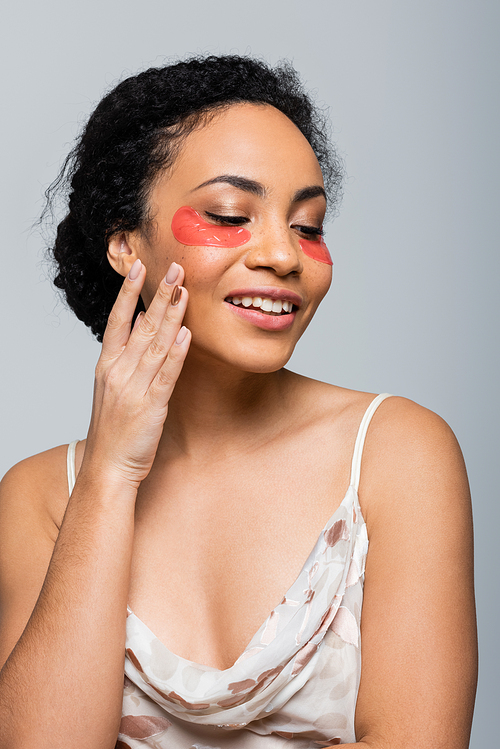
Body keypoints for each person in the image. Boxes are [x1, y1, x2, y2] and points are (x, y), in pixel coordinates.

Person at [0, 55, 477, 748]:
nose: (285, 254)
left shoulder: (398, 453)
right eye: (231, 215)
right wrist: (109, 477)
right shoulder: (39, 496)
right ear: (127, 245)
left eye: (308, 226)